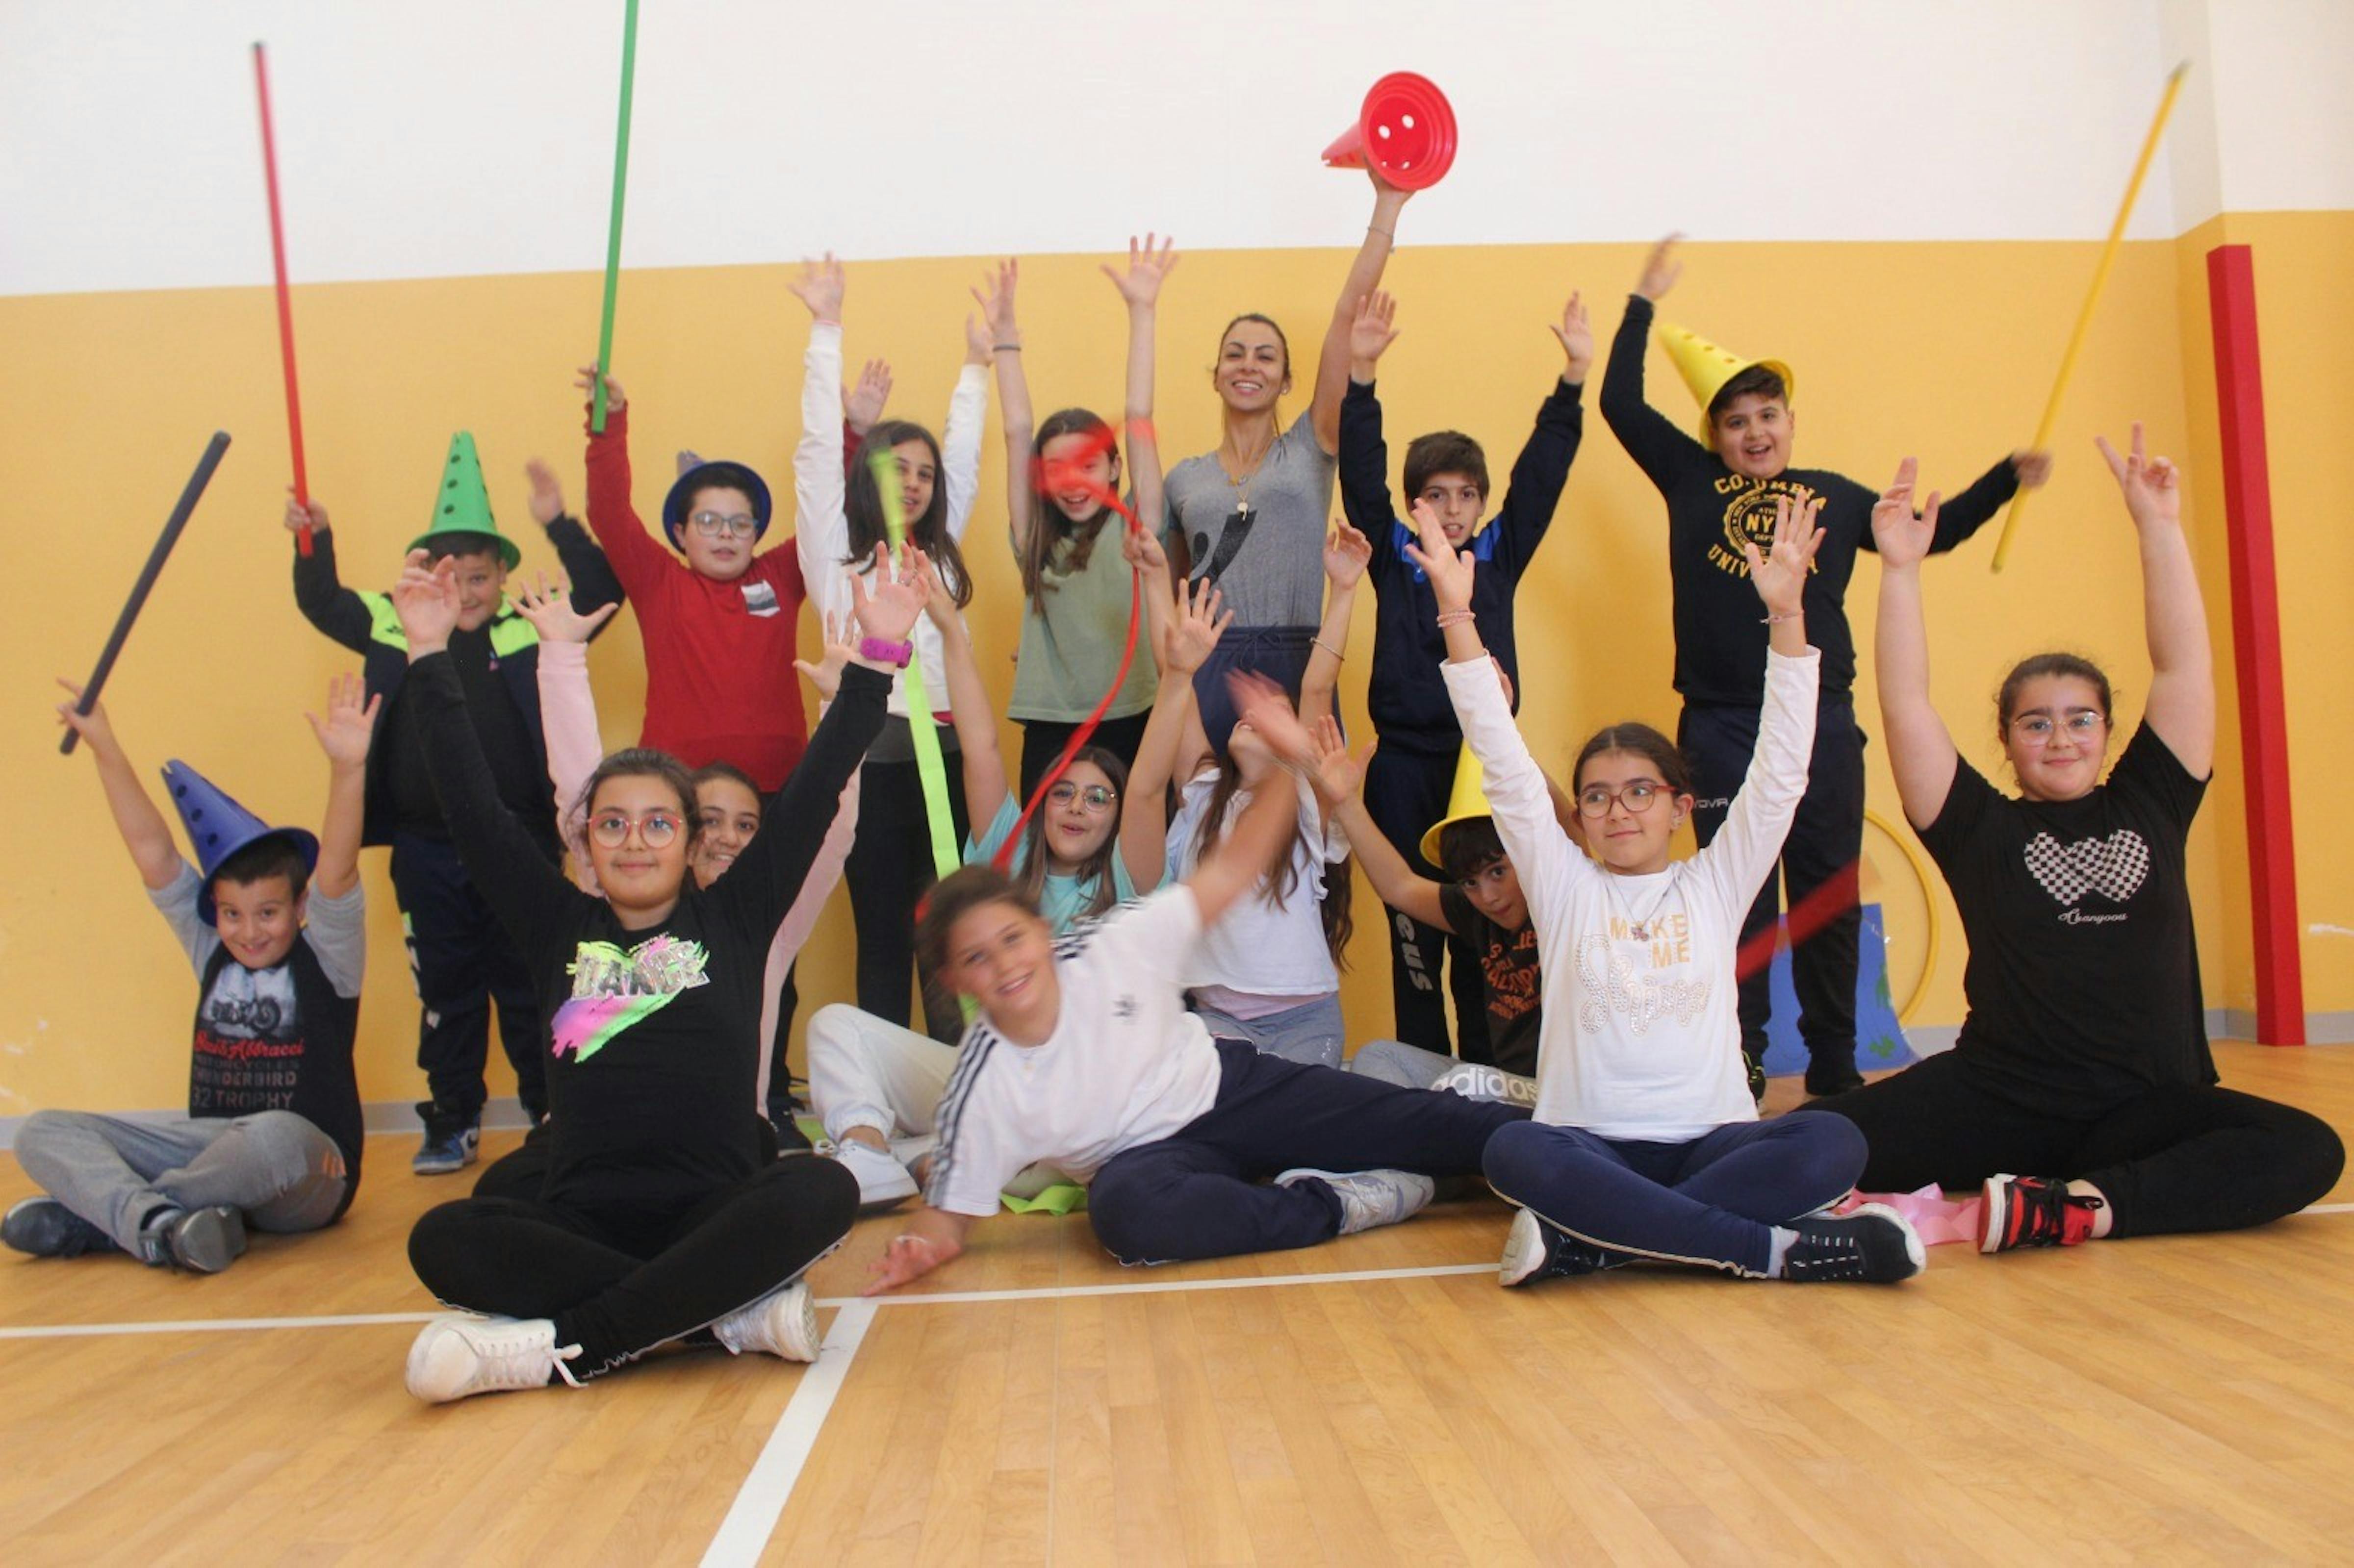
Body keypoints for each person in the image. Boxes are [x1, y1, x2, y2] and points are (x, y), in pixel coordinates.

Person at [392, 544, 928, 1403]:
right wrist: (427, 652)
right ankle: (718, 1314)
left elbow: (820, 785)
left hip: (712, 1208)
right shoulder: (556, 921)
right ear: (587, 843)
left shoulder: (739, 912)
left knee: (821, 1185)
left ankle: (575, 1343)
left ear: (688, 839)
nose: (634, 841)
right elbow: (471, 803)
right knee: (445, 1234)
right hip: (584, 1214)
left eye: (656, 824)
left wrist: (877, 657)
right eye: (612, 825)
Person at [1808, 430, 2344, 1251]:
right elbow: (1908, 702)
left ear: (2107, 729)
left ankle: (2071, 1205)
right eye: (2036, 722)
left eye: (2080, 718)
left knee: (2310, 1148)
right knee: (1799, 1145)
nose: (2061, 738)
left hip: (2141, 1112)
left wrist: (2159, 525)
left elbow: (2181, 667)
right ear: (2008, 739)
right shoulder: (1979, 825)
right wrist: (1903, 570)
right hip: (1996, 1098)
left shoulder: (2154, 799)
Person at [861, 673, 1529, 1293]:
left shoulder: (1110, 945)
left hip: (1226, 1085)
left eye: (1012, 939)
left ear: (1041, 932)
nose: (1006, 966)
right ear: (954, 979)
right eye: (978, 959)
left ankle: (1566, 1140)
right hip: (1148, 1160)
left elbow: (1236, 866)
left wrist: (1290, 762)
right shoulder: (985, 1077)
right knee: (1124, 1216)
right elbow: (948, 1220)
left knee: (1416, 1121)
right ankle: (1336, 1202)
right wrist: (923, 1245)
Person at [1413, 494, 1926, 1287]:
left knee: (1836, 1141)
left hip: (1712, 1140)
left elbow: (1784, 770)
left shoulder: (1716, 882)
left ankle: (1600, 1238)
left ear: (1682, 809)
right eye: (1596, 796)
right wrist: (1457, 613)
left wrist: (1787, 614)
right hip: (1588, 1142)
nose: (1617, 809)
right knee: (1513, 1150)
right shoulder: (1563, 885)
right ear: (1577, 819)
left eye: (1639, 791)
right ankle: (1769, 1250)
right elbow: (1503, 762)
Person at [1599, 235, 2052, 1098]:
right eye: (1735, 422)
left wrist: (2004, 480)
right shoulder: (1691, 483)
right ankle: (1739, 1056)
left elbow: (1930, 529)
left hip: (1819, 725)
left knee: (1826, 894)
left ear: (1790, 423)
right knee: (1737, 897)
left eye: (1767, 416)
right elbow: (1620, 403)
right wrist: (1641, 305)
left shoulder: (1836, 496)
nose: (1754, 432)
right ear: (1717, 438)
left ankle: (1836, 1068)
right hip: (1723, 723)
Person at [807, 524, 1223, 1207]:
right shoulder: (1008, 856)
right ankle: (872, 1150)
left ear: (1116, 818)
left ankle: (948, 1156)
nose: (1079, 808)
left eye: (1098, 798)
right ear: (1042, 803)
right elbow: (979, 746)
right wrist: (945, 624)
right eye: (1063, 791)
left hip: (1080, 1103)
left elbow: (1149, 784)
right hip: (992, 1076)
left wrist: (1178, 676)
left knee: (1075, 1151)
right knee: (835, 1027)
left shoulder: (1132, 873)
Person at [285, 439, 620, 1173]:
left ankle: (549, 1107)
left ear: (503, 575)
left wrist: (559, 522)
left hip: (523, 844)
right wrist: (316, 536)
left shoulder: (526, 625)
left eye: (480, 576)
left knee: (533, 985)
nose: (465, 592)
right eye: (451, 576)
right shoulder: (392, 621)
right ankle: (452, 1116)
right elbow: (320, 598)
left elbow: (601, 594)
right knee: (446, 988)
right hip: (427, 850)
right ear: (424, 578)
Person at [5, 676, 374, 1272]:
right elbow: (153, 852)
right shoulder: (213, 950)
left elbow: (338, 870)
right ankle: (168, 1225)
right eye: (232, 914)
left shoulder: (329, 958)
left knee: (273, 1137)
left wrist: (348, 770)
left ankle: (108, 1220)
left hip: (305, 1167)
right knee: (40, 1131)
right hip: (212, 1151)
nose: (249, 932)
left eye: (269, 914)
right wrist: (106, 747)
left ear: (300, 910)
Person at [509, 570, 851, 1144]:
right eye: (709, 822)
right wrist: (561, 656)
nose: (726, 839)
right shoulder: (609, 906)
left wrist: (840, 707)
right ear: (684, 838)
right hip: (594, 1156)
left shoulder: (763, 928)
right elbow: (579, 795)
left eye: (747, 826)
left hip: (716, 1161)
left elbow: (832, 826)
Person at [1337, 285, 1589, 1062]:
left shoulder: (1498, 556)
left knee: (1490, 933)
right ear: (1415, 505)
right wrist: (1363, 378)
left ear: (1481, 505)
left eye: (1465, 496)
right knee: (1417, 941)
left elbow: (1541, 477)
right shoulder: (1393, 554)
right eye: (1435, 496)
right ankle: (1427, 1095)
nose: (1451, 511)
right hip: (1405, 772)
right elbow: (1361, 469)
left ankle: (1493, 1083)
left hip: (1483, 771)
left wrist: (1574, 381)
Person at [791, 254, 989, 1040]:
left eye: (923, 473)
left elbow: (965, 462)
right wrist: (825, 328)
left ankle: (956, 1091)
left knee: (948, 939)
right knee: (880, 936)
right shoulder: (834, 556)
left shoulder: (939, 557)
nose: (912, 482)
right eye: (895, 467)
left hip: (941, 761)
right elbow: (814, 453)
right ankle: (881, 1096)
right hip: (863, 765)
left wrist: (975, 368)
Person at [1162, 174, 1410, 746]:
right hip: (1208, 668)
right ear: (1217, 375)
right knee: (1207, 828)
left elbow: (1347, 317)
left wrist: (1387, 206)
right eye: (1235, 355)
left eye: (1266, 357)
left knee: (1309, 827)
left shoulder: (1309, 447)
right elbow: (1167, 589)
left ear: (1286, 380)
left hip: (1301, 666)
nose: (1249, 366)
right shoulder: (1184, 479)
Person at [1163, 526, 1365, 1067]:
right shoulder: (1204, 795)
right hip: (1217, 1021)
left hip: (1307, 1019)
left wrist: (1343, 591)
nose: (1254, 715)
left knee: (1298, 1148)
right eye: (1251, 712)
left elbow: (1319, 687)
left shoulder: (1302, 797)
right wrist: (1151, 577)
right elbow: (1175, 686)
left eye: (1273, 711)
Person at [979, 242, 1173, 796]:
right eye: (1058, 468)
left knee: (1130, 865)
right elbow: (1018, 428)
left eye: (1089, 465)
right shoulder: (1033, 538)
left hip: (1133, 716)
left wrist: (1143, 311)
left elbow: (1139, 414)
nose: (1073, 481)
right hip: (1050, 724)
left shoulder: (1136, 526)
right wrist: (1005, 339)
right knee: (1048, 863)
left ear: (1115, 468)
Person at [1310, 725, 1539, 1104]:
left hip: (1557, 1097)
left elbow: (1572, 831)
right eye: (1470, 882)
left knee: (1466, 1080)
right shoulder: (1477, 913)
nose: (1488, 896)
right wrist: (1347, 803)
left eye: (1498, 872)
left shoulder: (1563, 903)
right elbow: (1399, 887)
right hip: (1499, 1089)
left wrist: (1499, 732)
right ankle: (1417, 1150)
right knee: (1378, 1056)